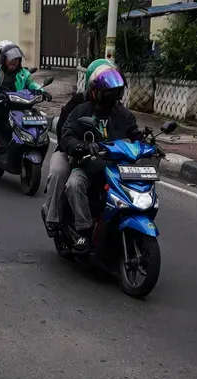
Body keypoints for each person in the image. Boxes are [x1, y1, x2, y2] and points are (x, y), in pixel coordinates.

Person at [59, 64, 140, 252]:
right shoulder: (81, 111)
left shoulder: (124, 115)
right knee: (73, 184)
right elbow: (67, 136)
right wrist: (83, 146)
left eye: (115, 92)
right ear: (96, 92)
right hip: (88, 166)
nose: (112, 97)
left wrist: (149, 145)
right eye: (107, 92)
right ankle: (83, 231)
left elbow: (136, 136)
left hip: (117, 170)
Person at [44, 57, 114, 232]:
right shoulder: (77, 103)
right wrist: (76, 147)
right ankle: (53, 218)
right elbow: (63, 131)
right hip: (72, 152)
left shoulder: (115, 107)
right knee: (59, 172)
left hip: (104, 156)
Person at [0, 42, 47, 153]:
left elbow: (32, 84)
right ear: (4, 60)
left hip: (21, 105)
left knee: (39, 124)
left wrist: (42, 91)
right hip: (2, 106)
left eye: (16, 61)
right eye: (11, 61)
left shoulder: (24, 73)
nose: (14, 63)